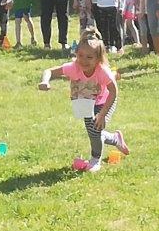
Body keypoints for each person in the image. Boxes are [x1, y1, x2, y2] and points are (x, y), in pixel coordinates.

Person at [38, 28, 130, 173]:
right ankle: (114, 138)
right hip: (84, 102)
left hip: (105, 101)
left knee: (95, 130)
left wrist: (102, 114)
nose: (84, 60)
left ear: (98, 59)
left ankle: (95, 160)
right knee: (94, 132)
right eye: (80, 55)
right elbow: (49, 71)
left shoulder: (102, 71)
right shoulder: (74, 67)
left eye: (89, 57)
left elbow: (113, 91)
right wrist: (45, 81)